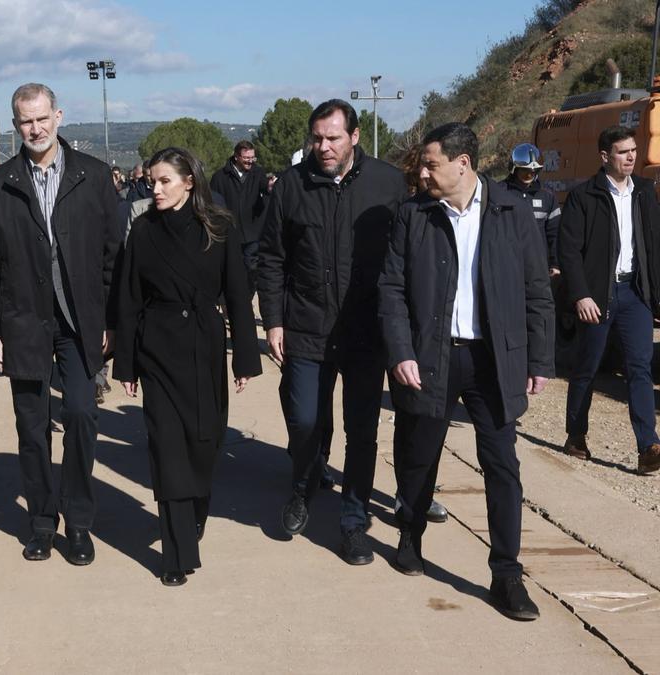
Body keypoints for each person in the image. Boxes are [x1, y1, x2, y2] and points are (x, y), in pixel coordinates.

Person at [379, 122, 553, 620]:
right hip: (430, 356)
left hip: (493, 360)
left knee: (502, 466)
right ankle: (410, 534)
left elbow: (536, 290)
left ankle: (506, 574)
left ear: (463, 163)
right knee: (418, 455)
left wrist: (539, 359)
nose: (422, 172)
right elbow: (391, 288)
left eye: (431, 164)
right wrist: (401, 351)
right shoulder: (414, 214)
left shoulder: (512, 212)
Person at [0, 82, 120, 565]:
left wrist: (111, 320)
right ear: (16, 125)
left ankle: (78, 523)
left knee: (80, 413)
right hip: (23, 323)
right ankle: (40, 522)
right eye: (24, 121)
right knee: (32, 427)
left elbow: (113, 254)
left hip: (80, 323)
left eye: (41, 118)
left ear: (58, 116)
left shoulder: (93, 177)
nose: (34, 128)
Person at [255, 99, 405, 565]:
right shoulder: (292, 185)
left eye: (333, 138)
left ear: (355, 137)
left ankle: (353, 522)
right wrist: (274, 319)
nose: (323, 147)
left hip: (365, 330)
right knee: (304, 420)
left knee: (362, 431)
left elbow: (405, 258)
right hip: (306, 325)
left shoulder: (388, 183)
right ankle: (304, 482)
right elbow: (272, 256)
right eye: (316, 138)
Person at [113, 147, 261, 586]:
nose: (154, 189)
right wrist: (127, 365)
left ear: (188, 182)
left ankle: (195, 506)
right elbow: (128, 299)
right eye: (152, 181)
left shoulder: (218, 227)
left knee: (205, 443)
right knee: (167, 449)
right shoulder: (141, 230)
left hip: (205, 345)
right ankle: (177, 553)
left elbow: (237, 295)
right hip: (157, 348)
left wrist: (245, 359)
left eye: (164, 182)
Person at [557, 125, 660, 472]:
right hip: (599, 294)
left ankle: (648, 445)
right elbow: (569, 251)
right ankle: (576, 435)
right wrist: (581, 295)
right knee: (587, 367)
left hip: (635, 292)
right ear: (605, 157)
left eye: (633, 150)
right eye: (623, 151)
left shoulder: (645, 192)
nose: (631, 156)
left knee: (639, 367)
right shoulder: (584, 196)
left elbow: (654, 244)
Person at [502, 143, 560, 276]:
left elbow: (555, 233)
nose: (529, 175)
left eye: (533, 172)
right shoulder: (500, 193)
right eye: (525, 170)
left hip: (540, 270)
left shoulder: (547, 196)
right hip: (507, 267)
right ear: (514, 169)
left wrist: (555, 263)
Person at [210, 140, 267, 241]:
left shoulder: (259, 173)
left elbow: (266, 190)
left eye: (252, 158)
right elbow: (213, 205)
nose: (250, 161)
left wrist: (270, 188)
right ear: (236, 157)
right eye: (246, 158)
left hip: (253, 235)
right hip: (229, 234)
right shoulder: (219, 177)